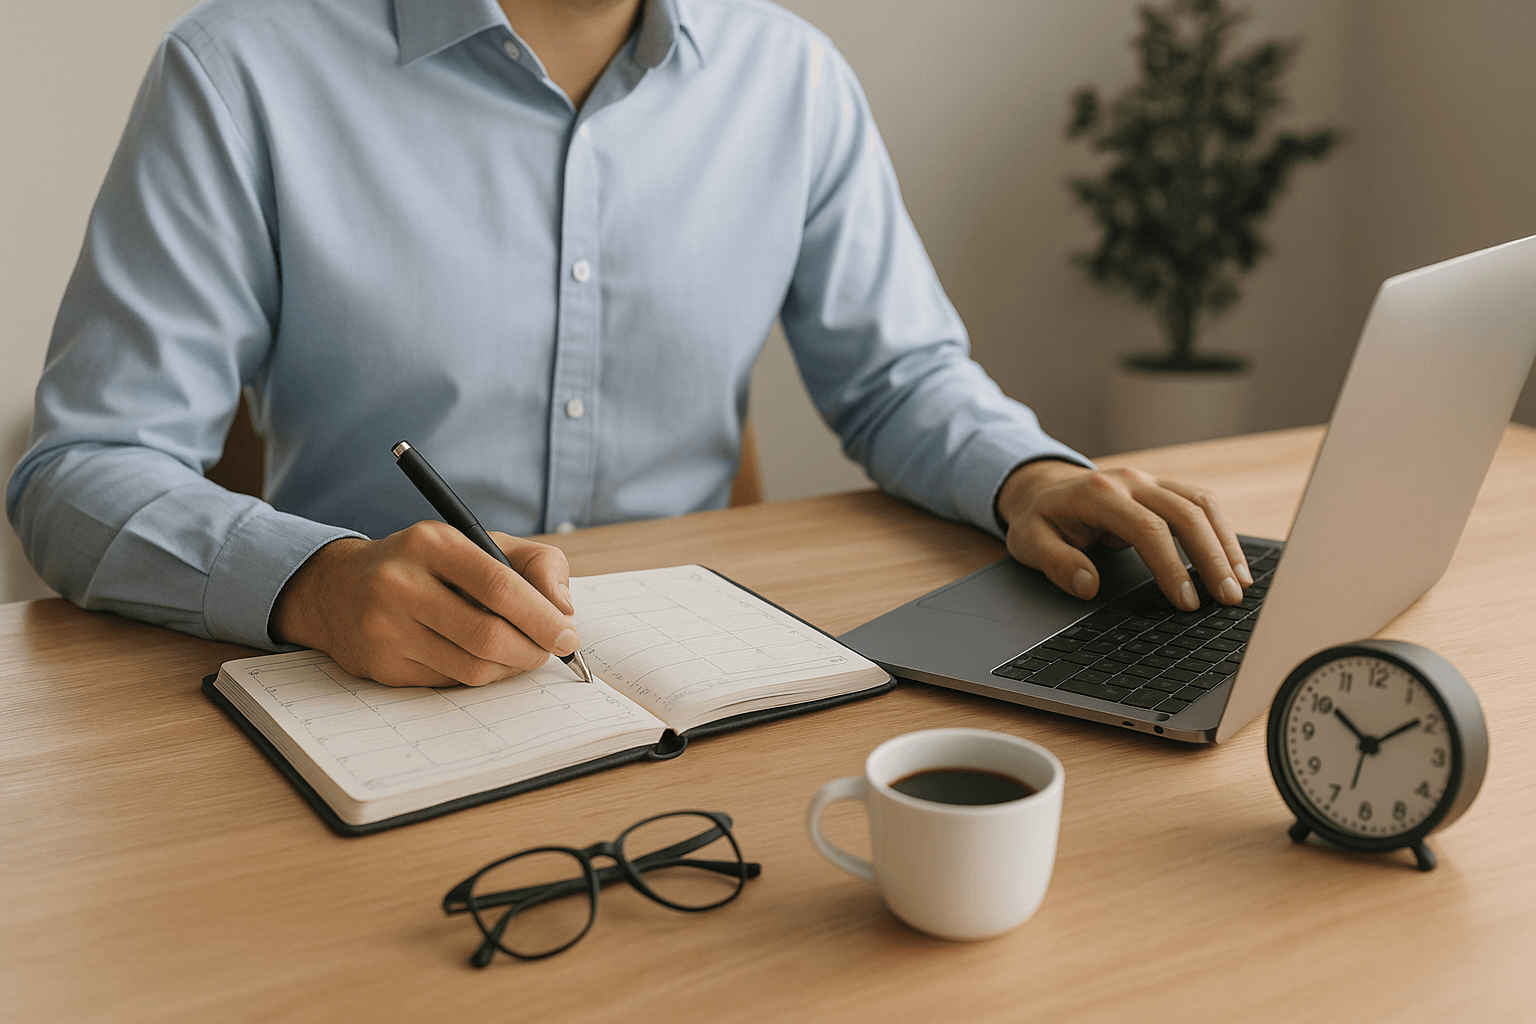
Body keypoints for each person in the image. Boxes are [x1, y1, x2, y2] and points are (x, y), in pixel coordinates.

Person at [7, 0, 1251, 689]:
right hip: (360, 691)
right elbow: (80, 468)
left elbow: (899, 377)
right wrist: (312, 582)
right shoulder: (238, 72)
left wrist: (1026, 473)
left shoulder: (793, 78)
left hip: (696, 686)